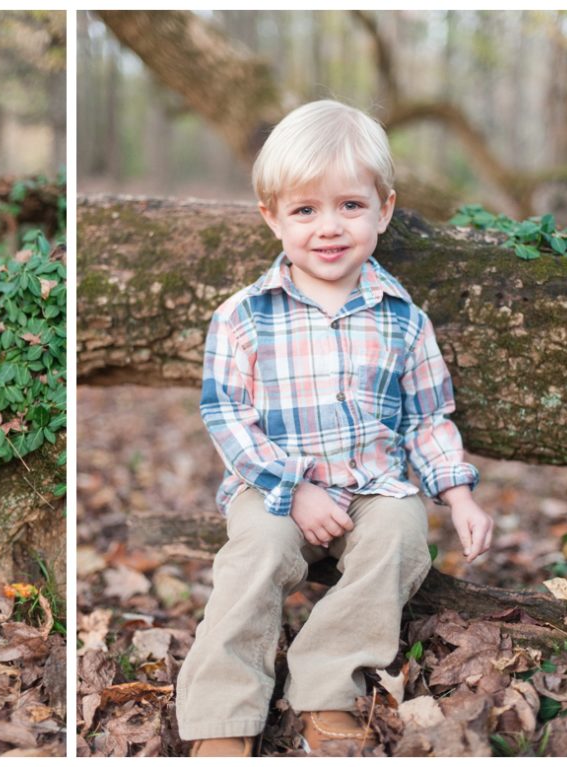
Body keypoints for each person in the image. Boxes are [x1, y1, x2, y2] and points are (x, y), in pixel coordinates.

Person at [176, 100, 494, 756]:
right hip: (272, 488)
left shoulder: (403, 320)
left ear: (383, 209)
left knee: (403, 534)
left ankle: (325, 687)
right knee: (257, 553)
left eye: (350, 205)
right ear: (272, 216)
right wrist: (292, 488)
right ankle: (222, 711)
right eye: (305, 210)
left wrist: (457, 493)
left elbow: (428, 416)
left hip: (371, 483)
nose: (329, 227)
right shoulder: (242, 317)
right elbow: (226, 415)